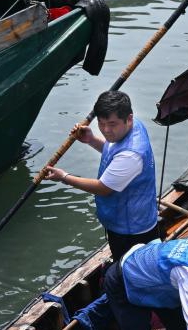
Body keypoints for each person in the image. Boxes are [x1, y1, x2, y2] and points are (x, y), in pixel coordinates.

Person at [46, 91, 160, 263]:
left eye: (112, 124)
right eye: (101, 123)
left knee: (129, 274)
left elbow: (103, 188)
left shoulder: (131, 154)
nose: (106, 130)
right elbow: (112, 152)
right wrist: (91, 139)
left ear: (128, 118)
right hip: (124, 217)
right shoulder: (132, 126)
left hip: (132, 230)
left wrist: (64, 177)